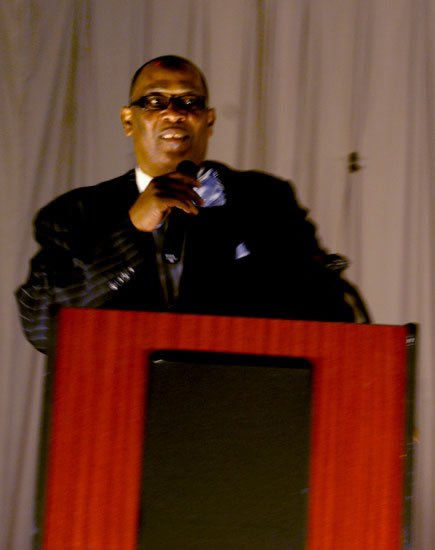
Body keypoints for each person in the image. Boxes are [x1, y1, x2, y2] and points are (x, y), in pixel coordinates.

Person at [16, 55, 367, 354]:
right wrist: (132, 230)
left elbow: (327, 310)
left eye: (189, 102)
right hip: (115, 399)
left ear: (208, 121)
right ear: (128, 120)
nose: (174, 114)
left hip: (236, 396)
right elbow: (43, 326)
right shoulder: (75, 213)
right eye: (155, 101)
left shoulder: (266, 200)